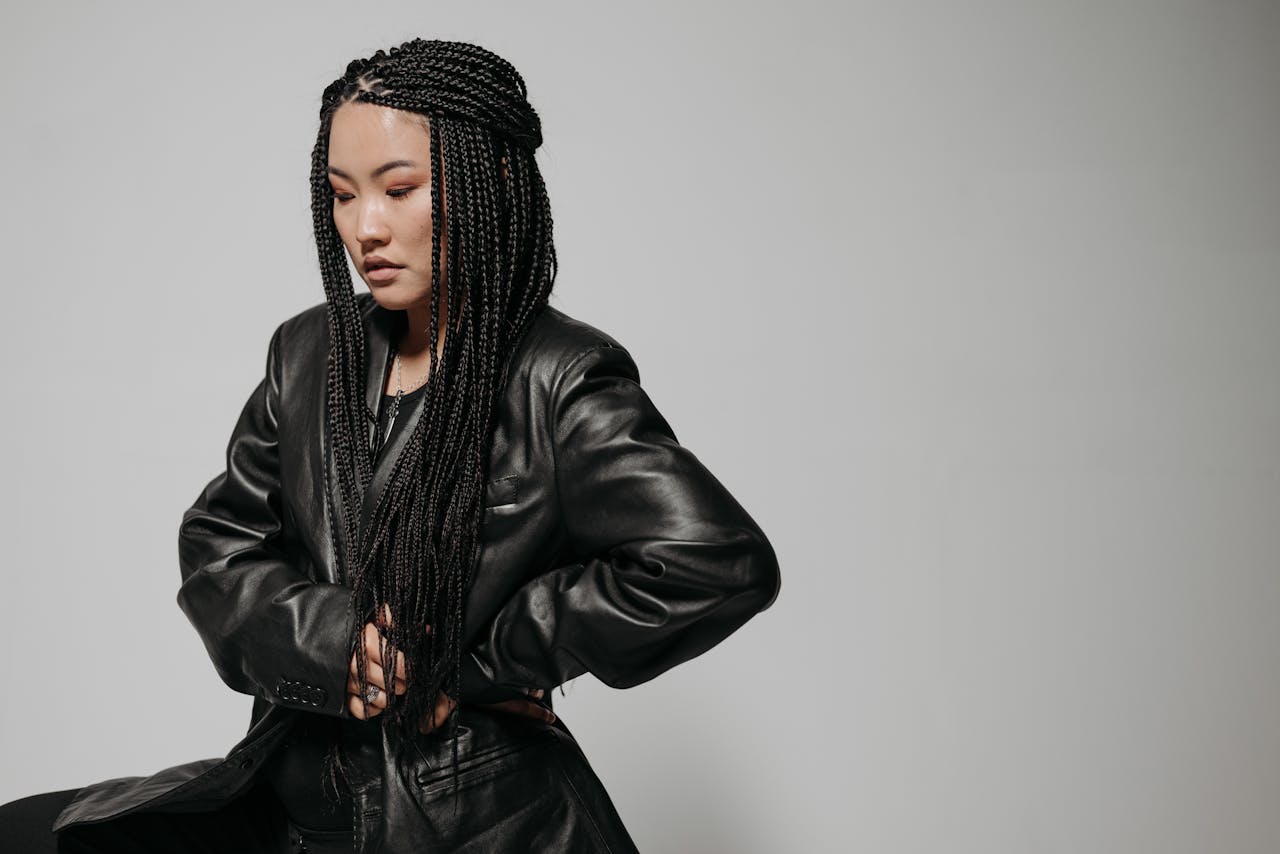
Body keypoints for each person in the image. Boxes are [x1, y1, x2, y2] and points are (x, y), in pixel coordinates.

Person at [0, 37, 781, 853]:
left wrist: (470, 663)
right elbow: (217, 548)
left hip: (466, 818)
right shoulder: (310, 353)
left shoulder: (557, 376)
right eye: (342, 195)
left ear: (492, 181)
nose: (365, 227)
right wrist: (335, 641)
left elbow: (712, 561)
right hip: (286, 791)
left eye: (399, 189)